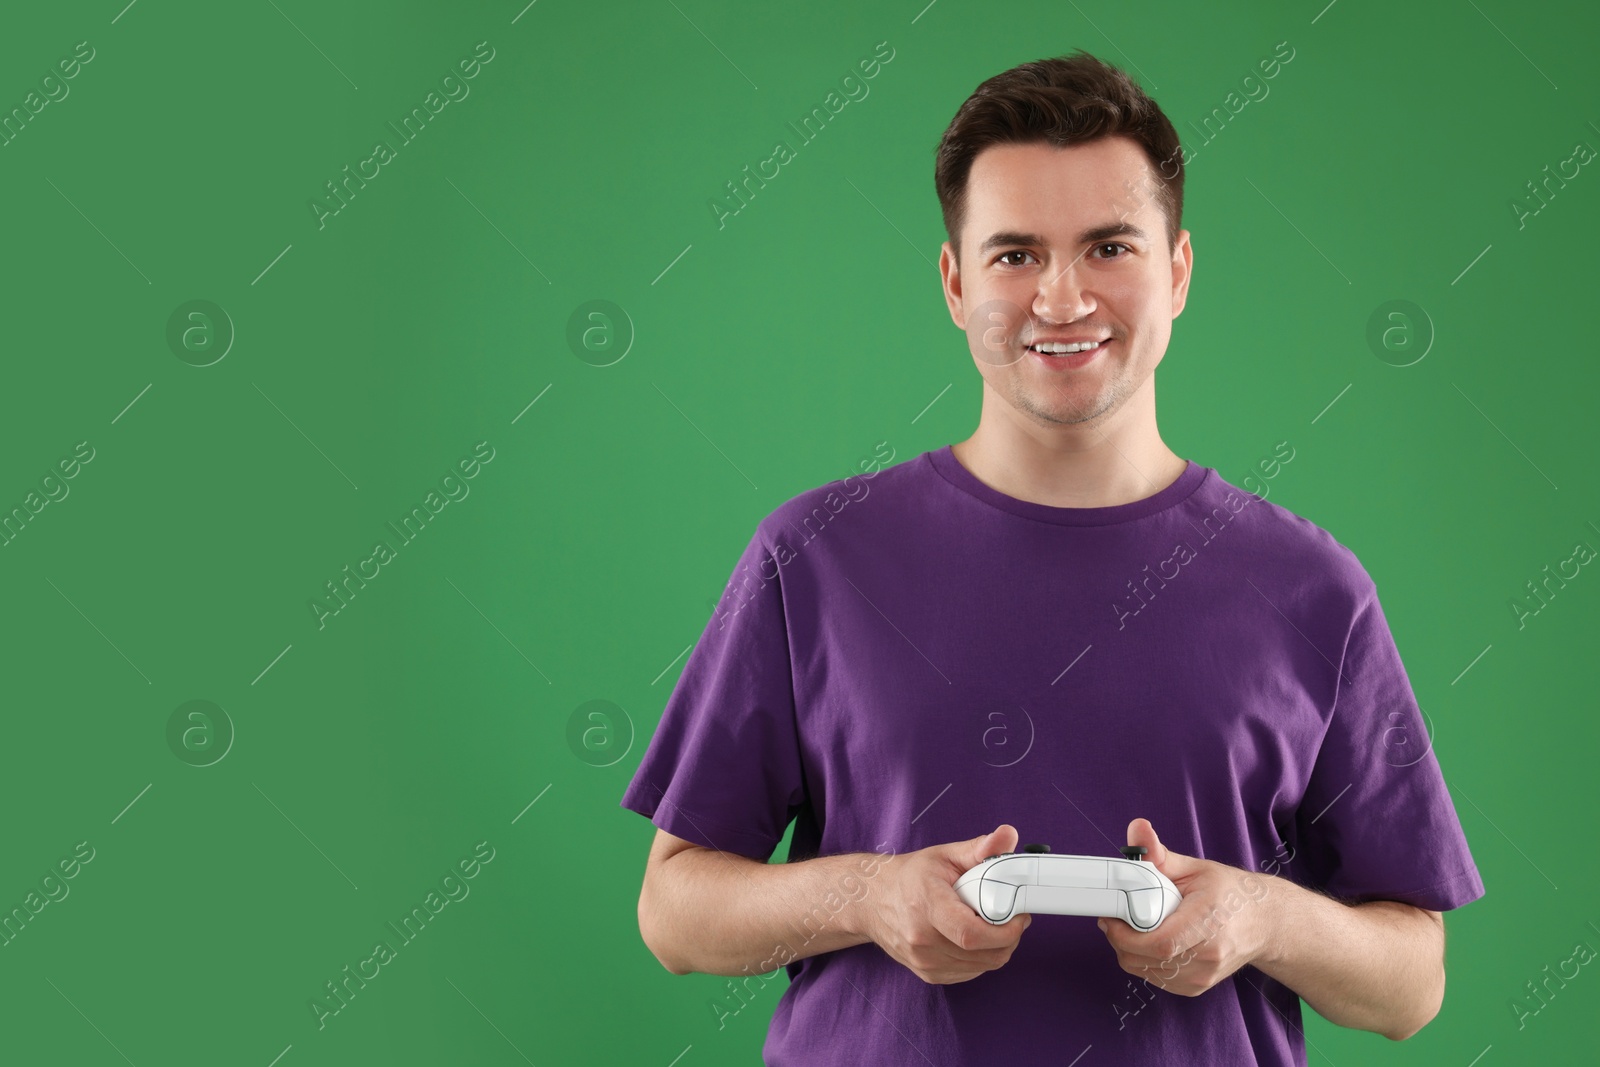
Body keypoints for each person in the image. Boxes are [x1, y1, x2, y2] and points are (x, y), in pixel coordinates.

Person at [621, 50, 1484, 1066]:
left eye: (1108, 245)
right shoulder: (814, 554)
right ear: (954, 282)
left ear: (1178, 269)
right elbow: (673, 908)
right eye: (1014, 254)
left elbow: (1410, 982)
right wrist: (868, 895)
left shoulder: (1312, 589)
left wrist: (1259, 916)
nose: (1062, 298)